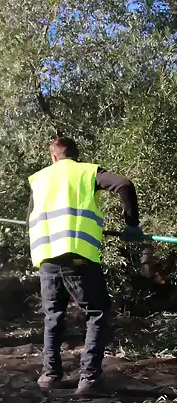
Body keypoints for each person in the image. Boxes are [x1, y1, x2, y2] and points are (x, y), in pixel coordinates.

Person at [26, 134, 143, 393]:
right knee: (97, 313)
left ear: (53, 157)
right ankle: (89, 379)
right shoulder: (87, 172)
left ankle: (49, 376)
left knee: (53, 315)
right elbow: (124, 184)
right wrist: (132, 225)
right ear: (75, 155)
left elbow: (29, 218)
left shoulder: (39, 179)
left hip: (46, 256)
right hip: (77, 255)